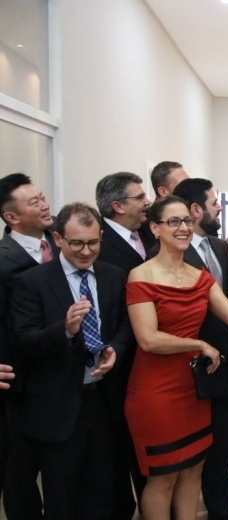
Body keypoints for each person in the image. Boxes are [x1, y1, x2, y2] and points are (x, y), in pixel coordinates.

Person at [124, 196, 228, 520]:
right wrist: (198, 344)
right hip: (156, 392)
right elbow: (148, 339)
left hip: (194, 391)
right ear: (155, 228)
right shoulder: (141, 276)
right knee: (163, 477)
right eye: (173, 222)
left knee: (193, 470)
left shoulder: (201, 276)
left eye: (186, 220)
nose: (183, 227)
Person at [11, 202, 133, 518]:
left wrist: (115, 349)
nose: (85, 251)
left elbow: (124, 325)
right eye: (77, 243)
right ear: (58, 239)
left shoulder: (113, 275)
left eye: (93, 242)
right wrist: (64, 330)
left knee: (103, 492)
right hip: (58, 407)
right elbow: (25, 342)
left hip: (104, 401)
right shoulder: (33, 282)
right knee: (63, 498)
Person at [171, 178, 228, 519]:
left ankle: (220, 508)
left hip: (224, 359)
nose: (220, 207)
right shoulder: (174, 254)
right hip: (190, 363)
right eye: (214, 202)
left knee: (223, 439)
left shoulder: (220, 247)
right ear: (196, 209)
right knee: (194, 442)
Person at [95, 170, 155, 518]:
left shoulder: (148, 234)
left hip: (155, 362)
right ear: (117, 206)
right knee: (121, 449)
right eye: (139, 197)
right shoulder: (100, 246)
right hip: (121, 362)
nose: (147, 202)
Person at [0, 172, 55, 519]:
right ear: (12, 217)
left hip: (64, 376)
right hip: (20, 383)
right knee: (20, 472)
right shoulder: (4, 261)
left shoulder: (62, 244)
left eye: (42, 197)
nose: (45, 205)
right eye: (34, 202)